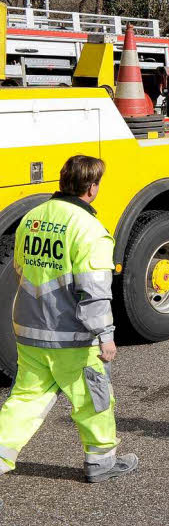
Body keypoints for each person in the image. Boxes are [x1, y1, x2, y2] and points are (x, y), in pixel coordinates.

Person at [0, 155, 138, 482]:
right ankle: (101, 463)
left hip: (30, 329)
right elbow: (94, 291)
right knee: (94, 399)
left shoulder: (32, 217)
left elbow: (20, 267)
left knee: (27, 397)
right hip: (72, 335)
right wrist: (105, 335)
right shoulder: (89, 229)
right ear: (91, 188)